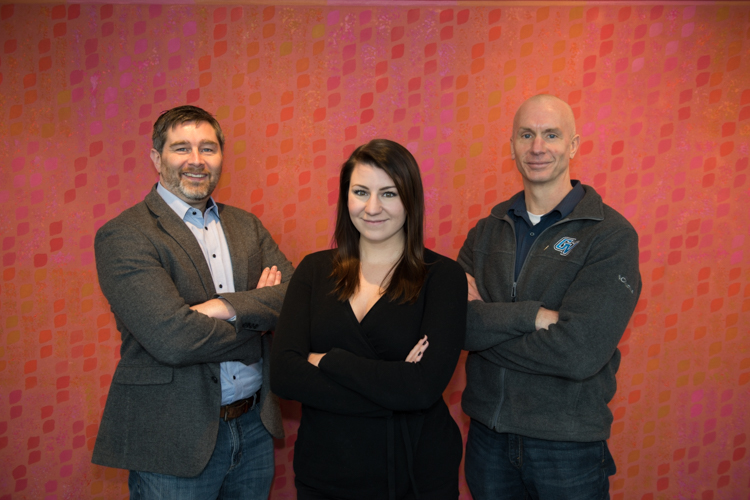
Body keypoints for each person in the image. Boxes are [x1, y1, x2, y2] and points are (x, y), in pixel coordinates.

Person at [91, 105, 294, 499]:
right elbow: (174, 338)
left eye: (208, 148)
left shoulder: (246, 225)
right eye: (181, 148)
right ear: (156, 158)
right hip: (173, 436)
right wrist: (258, 315)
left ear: (221, 156)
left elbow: (296, 296)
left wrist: (224, 307)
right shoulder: (125, 235)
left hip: (253, 428)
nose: (197, 161)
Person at [459, 94, 641, 499]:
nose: (537, 147)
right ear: (511, 145)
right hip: (487, 440)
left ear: (573, 145)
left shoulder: (609, 235)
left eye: (551, 135)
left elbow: (580, 351)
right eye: (526, 135)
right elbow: (457, 326)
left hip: (567, 446)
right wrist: (536, 316)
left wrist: (488, 321)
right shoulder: (486, 231)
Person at [271, 139, 467, 500]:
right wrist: (395, 389)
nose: (373, 207)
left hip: (416, 474)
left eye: (389, 193)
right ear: (346, 198)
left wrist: (329, 361)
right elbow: (284, 374)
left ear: (411, 199)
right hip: (326, 473)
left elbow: (424, 388)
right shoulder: (314, 270)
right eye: (361, 192)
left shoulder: (443, 277)